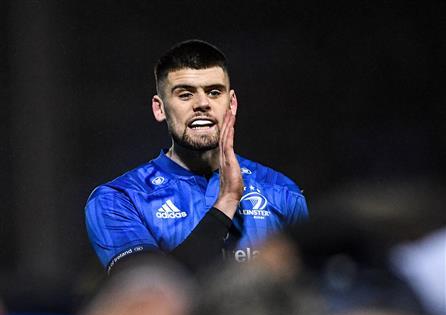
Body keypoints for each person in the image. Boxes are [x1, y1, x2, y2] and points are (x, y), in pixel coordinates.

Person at [85, 40, 308, 274]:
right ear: (159, 109)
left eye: (214, 92)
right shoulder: (119, 200)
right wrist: (227, 201)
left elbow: (305, 293)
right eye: (185, 94)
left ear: (232, 104)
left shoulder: (282, 191)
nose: (202, 104)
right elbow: (146, 291)